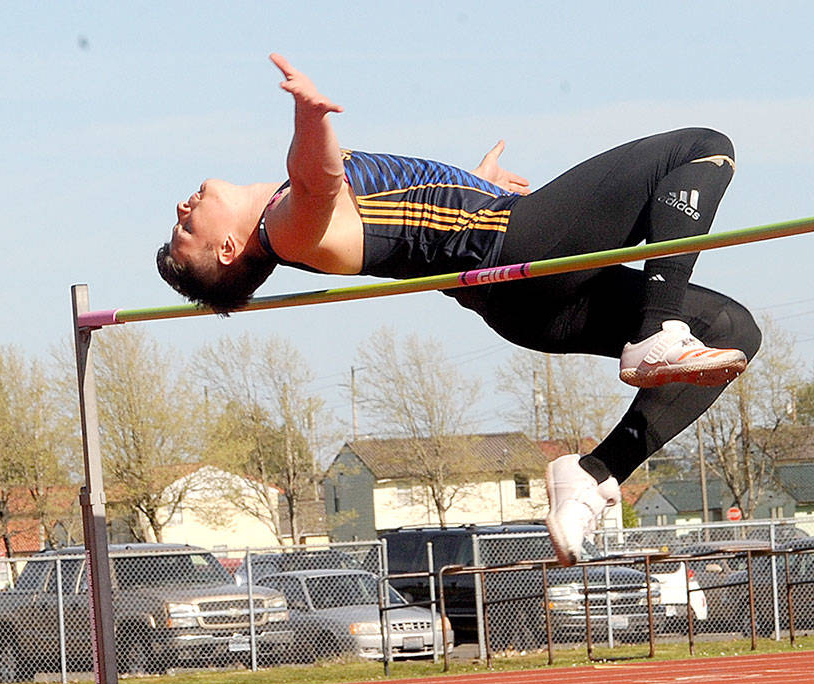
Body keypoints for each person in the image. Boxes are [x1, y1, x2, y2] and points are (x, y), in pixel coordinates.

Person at [157, 53, 760, 565]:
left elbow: (412, 228)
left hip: (520, 301)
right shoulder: (289, 228)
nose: (181, 212)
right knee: (702, 149)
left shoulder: (296, 219)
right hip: (512, 252)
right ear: (230, 250)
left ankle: (595, 474)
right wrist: (310, 119)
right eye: (186, 233)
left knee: (731, 329)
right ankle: (656, 332)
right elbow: (320, 182)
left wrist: (471, 185)